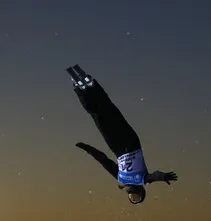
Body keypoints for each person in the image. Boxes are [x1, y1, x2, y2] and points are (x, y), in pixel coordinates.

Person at [67, 64, 177, 204]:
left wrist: (86, 148)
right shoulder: (141, 179)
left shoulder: (121, 179)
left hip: (117, 147)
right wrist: (162, 177)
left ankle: (81, 90)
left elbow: (104, 160)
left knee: (98, 116)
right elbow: (152, 177)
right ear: (141, 190)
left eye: (132, 198)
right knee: (109, 110)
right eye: (136, 196)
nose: (132, 195)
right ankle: (93, 86)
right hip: (131, 142)